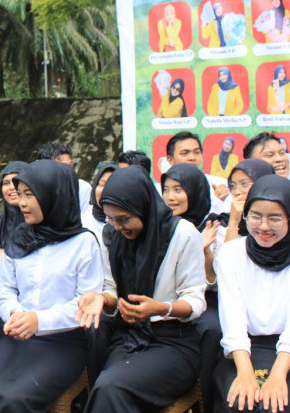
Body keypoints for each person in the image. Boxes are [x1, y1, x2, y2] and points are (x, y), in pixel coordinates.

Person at [0, 159, 102, 412]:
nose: (21, 203)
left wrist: (39, 320)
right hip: (18, 338)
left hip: (64, 343)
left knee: (16, 400)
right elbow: (2, 288)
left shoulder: (83, 243)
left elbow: (85, 303)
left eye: (30, 195)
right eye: (20, 195)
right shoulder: (19, 238)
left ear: (53, 195)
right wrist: (15, 313)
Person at [76, 166, 206, 411]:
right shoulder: (112, 236)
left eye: (123, 219)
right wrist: (103, 299)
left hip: (173, 343)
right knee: (107, 387)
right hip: (130, 338)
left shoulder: (182, 234)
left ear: (143, 208)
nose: (117, 226)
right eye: (110, 218)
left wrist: (160, 308)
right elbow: (112, 288)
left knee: (110, 389)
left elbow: (195, 300)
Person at [213, 175, 290, 412]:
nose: (263, 227)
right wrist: (245, 373)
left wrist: (278, 376)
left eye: (275, 218)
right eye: (256, 216)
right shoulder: (231, 254)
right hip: (241, 353)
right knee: (240, 403)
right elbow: (233, 316)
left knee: (276, 407)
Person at [161, 163, 221, 413]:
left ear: (195, 191)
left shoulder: (213, 226)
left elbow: (212, 284)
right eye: (166, 190)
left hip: (205, 301)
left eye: (178, 189)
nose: (170, 197)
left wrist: (202, 249)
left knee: (211, 328)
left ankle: (206, 398)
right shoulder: (159, 226)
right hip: (166, 300)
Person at [166, 131, 229, 213]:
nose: (192, 158)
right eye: (185, 153)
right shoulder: (159, 191)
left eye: (197, 152)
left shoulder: (220, 185)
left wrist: (223, 198)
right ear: (170, 160)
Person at [0, 161, 29, 267]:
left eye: (16, 181)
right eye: (6, 183)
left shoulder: (40, 216)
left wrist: (5, 255)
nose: (11, 187)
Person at [36, 141, 93, 215]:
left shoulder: (82, 187)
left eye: (70, 166)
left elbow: (86, 218)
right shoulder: (34, 188)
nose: (68, 171)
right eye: (62, 168)